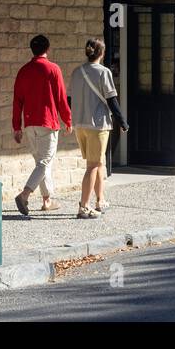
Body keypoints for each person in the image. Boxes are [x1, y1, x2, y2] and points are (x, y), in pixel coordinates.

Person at [11, 34, 72, 218]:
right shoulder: (53, 69)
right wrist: (68, 119)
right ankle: (25, 194)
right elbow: (61, 98)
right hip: (48, 121)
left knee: (41, 163)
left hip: (30, 123)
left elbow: (17, 100)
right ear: (48, 49)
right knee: (45, 163)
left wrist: (16, 126)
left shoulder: (23, 71)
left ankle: (47, 200)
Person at [70, 38, 130, 220]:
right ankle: (84, 206)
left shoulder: (76, 72)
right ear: (102, 53)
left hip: (80, 123)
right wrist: (122, 122)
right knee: (93, 166)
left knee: (99, 162)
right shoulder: (104, 73)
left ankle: (100, 200)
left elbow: (69, 99)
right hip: (98, 124)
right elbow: (112, 100)